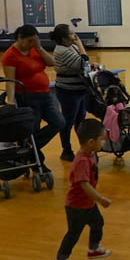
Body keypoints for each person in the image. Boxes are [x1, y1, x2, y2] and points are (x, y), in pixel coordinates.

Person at [51, 119, 112, 260]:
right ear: (91, 142)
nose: (104, 142)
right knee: (73, 234)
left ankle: (93, 249)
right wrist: (100, 199)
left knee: (97, 223)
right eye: (102, 139)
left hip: (88, 204)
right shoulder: (82, 161)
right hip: (76, 207)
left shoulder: (91, 154)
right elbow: (84, 185)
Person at [2, 25, 65, 170]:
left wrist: (39, 48)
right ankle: (37, 163)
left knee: (59, 122)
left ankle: (27, 149)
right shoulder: (10, 56)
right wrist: (10, 100)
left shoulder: (35, 49)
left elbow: (52, 63)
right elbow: (10, 81)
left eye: (34, 40)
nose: (32, 43)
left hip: (46, 94)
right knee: (33, 129)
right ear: (20, 39)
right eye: (29, 41)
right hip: (27, 97)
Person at [51, 24, 90, 162]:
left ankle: (84, 148)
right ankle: (66, 150)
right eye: (72, 33)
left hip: (79, 90)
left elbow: (86, 65)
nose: (75, 36)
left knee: (80, 120)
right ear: (64, 38)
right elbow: (83, 63)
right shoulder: (62, 50)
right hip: (68, 91)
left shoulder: (70, 47)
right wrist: (80, 45)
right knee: (68, 121)